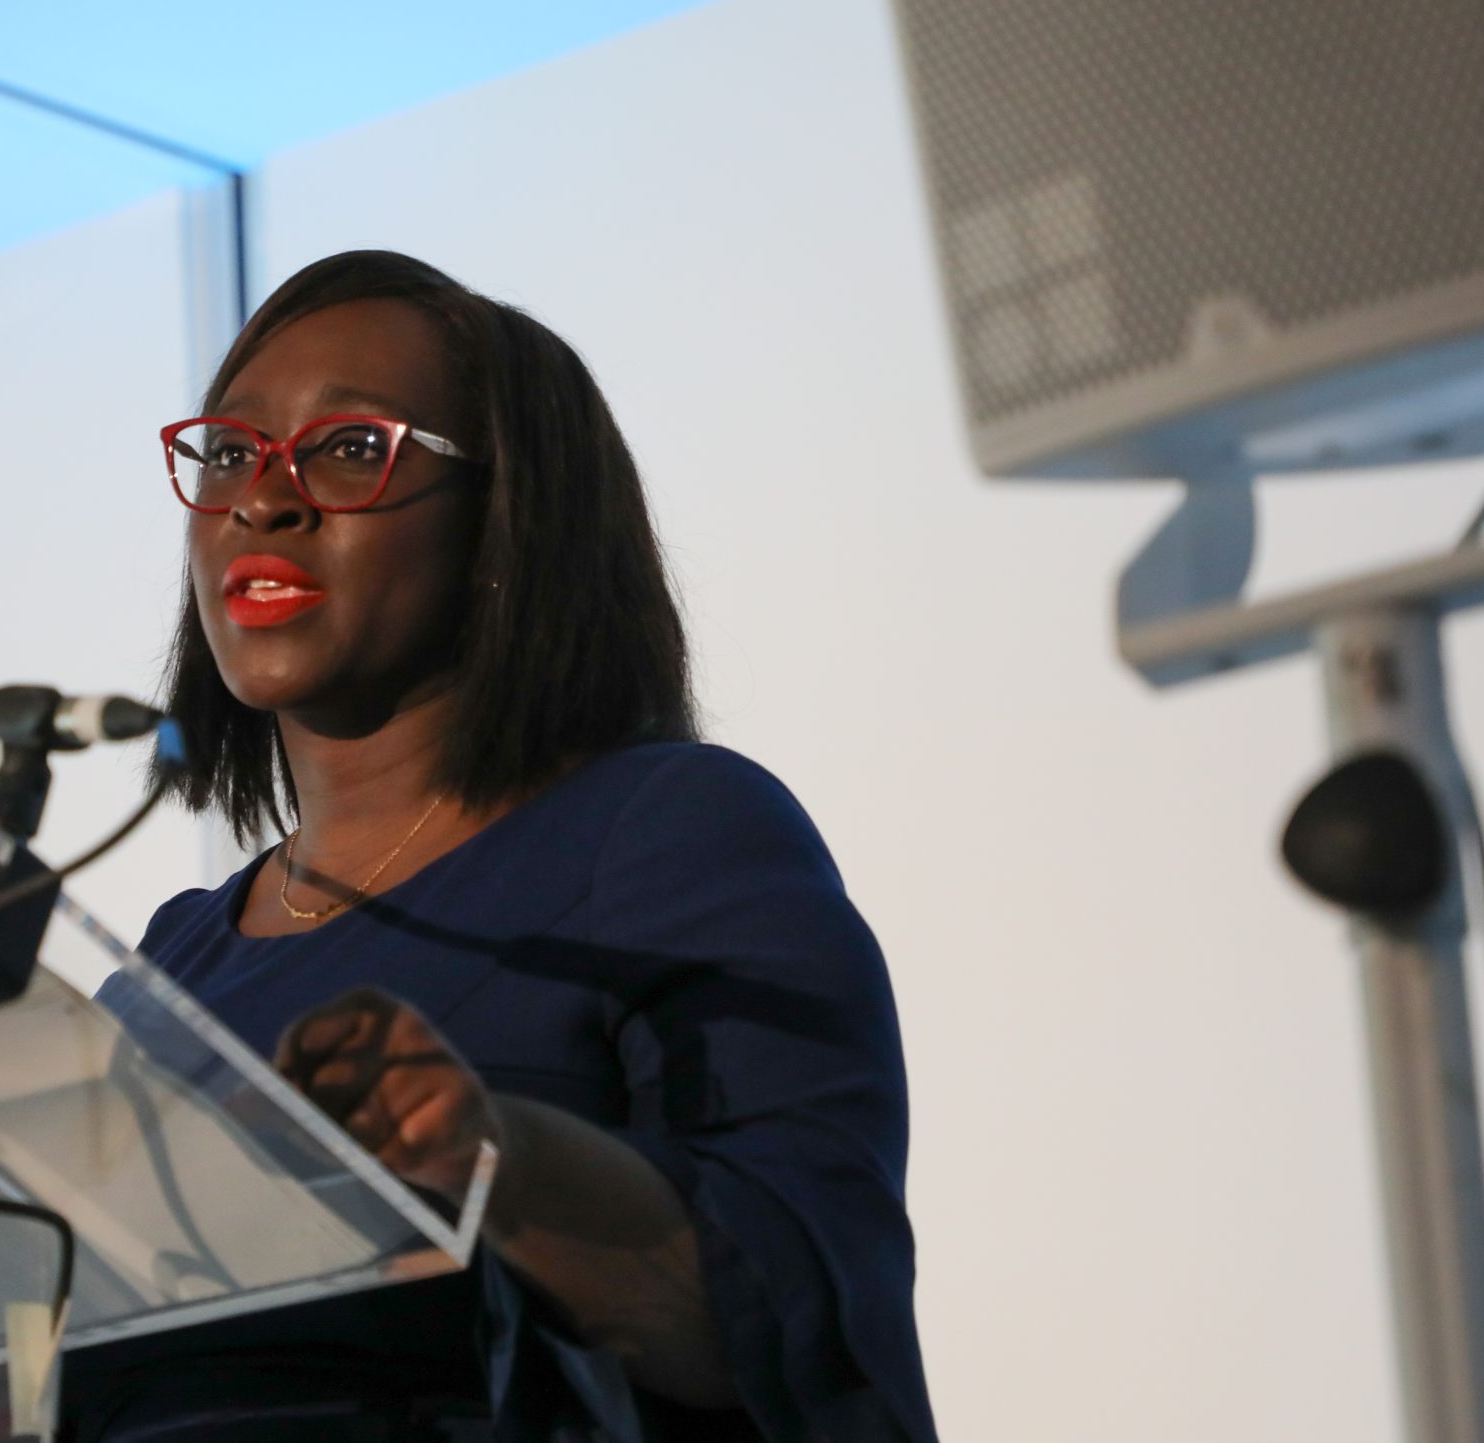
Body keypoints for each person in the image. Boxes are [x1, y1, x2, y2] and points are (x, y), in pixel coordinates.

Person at [70, 251, 935, 1441]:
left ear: (503, 524)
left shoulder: (665, 831)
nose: (262, 500)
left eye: (349, 449)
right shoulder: (174, 973)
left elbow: (805, 1308)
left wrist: (495, 1158)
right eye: (230, 451)